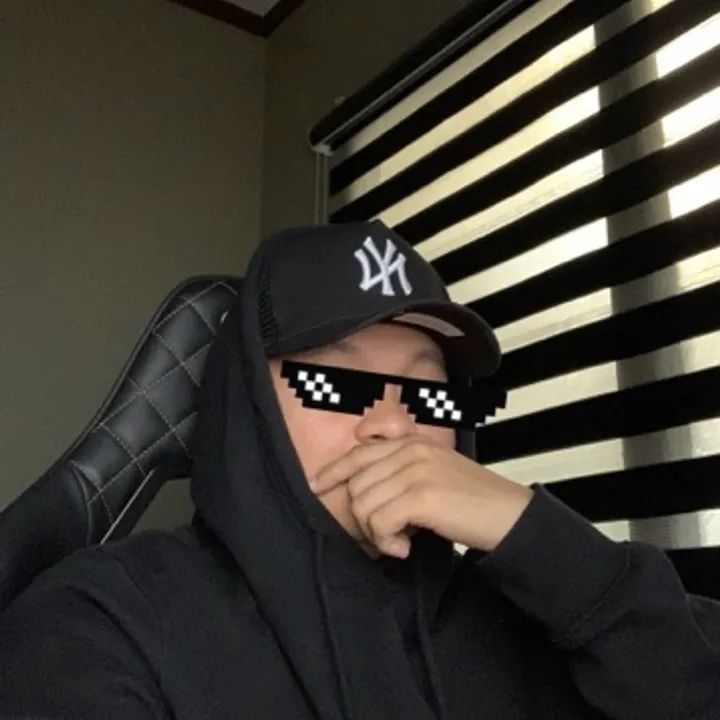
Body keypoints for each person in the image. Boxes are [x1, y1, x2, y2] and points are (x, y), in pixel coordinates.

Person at [0, 220, 719, 720]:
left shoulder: (534, 622)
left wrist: (542, 539)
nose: (392, 423)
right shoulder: (102, 619)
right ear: (248, 406)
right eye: (334, 383)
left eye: (426, 390)